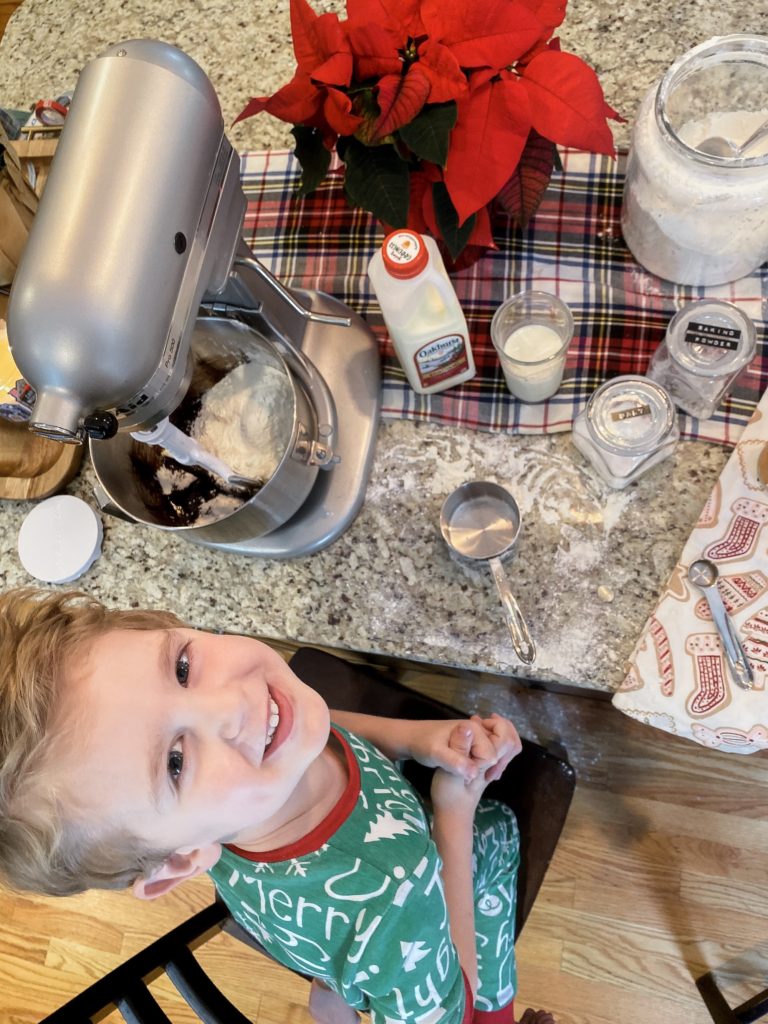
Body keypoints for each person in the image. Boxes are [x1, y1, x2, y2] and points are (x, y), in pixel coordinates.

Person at [0, 587, 556, 1024]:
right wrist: (454, 812)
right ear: (179, 861)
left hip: (330, 938)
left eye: (183, 668)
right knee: (499, 830)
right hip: (418, 920)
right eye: (174, 762)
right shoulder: (398, 892)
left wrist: (415, 740)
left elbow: (323, 735)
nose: (236, 701)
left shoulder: (249, 787)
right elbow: (448, 1008)